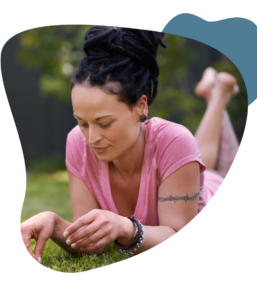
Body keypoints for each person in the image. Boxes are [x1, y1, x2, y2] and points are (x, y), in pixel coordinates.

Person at [20, 25, 240, 264]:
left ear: (141, 106)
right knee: (200, 158)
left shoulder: (175, 141)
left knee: (209, 166)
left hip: (212, 191)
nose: (91, 138)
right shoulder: (77, 141)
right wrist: (54, 223)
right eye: (82, 123)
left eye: (104, 124)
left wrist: (128, 228)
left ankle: (218, 94)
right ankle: (217, 92)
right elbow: (93, 244)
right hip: (186, 172)